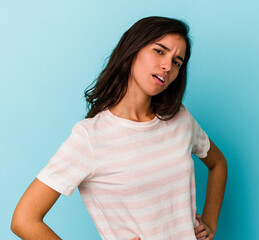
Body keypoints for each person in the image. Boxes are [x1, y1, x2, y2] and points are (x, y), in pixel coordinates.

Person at [11, 16, 227, 240]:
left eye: (177, 62)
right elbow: (24, 220)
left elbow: (218, 164)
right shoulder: (90, 137)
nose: (167, 66)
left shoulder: (180, 118)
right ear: (133, 49)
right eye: (159, 51)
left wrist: (210, 223)